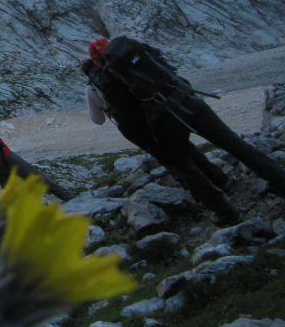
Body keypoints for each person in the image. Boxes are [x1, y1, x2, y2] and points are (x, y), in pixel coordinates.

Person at [87, 35, 285, 222]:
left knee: (184, 167)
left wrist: (149, 136)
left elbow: (130, 116)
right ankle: (278, 179)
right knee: (233, 143)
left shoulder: (108, 79)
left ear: (97, 61)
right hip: (187, 99)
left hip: (165, 119)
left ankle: (226, 213)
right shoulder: (134, 51)